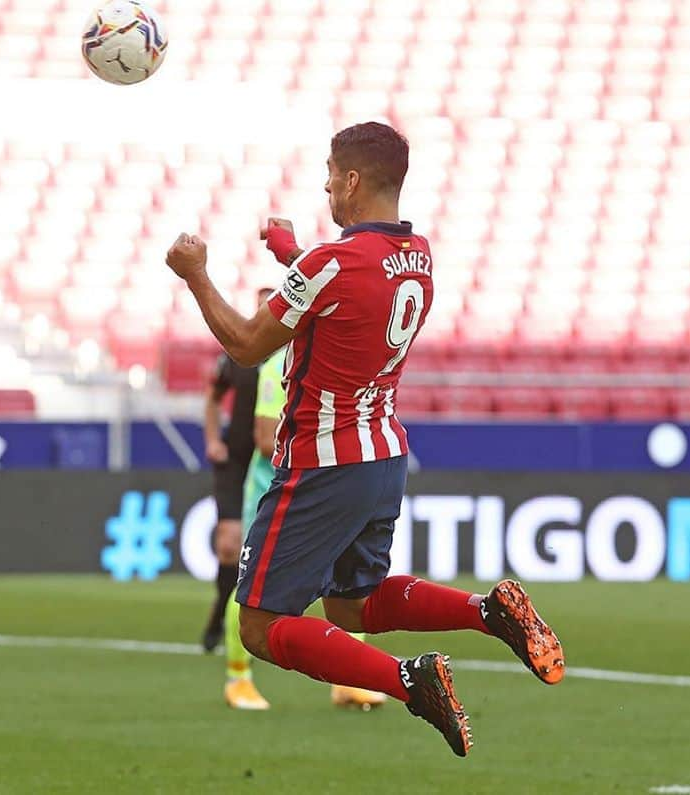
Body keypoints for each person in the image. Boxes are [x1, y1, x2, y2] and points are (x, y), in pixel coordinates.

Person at [166, 121, 564, 756]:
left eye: (330, 173)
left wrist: (195, 274)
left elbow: (245, 344)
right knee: (352, 607)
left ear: (351, 180)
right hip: (383, 454)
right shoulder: (419, 257)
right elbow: (352, 294)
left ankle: (411, 681)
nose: (325, 184)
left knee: (261, 627)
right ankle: (487, 611)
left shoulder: (331, 264)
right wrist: (293, 256)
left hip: (321, 463)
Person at [224, 345, 386, 712]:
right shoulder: (279, 364)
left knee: (349, 579)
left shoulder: (337, 357)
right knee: (253, 585)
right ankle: (239, 679)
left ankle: (349, 680)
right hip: (277, 490)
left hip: (325, 486)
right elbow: (266, 441)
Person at [200, 291, 271, 652]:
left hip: (271, 459)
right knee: (229, 545)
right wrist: (213, 438)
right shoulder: (239, 352)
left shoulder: (291, 354)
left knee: (255, 548)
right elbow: (212, 398)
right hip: (235, 457)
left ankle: (242, 624)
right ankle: (219, 616)